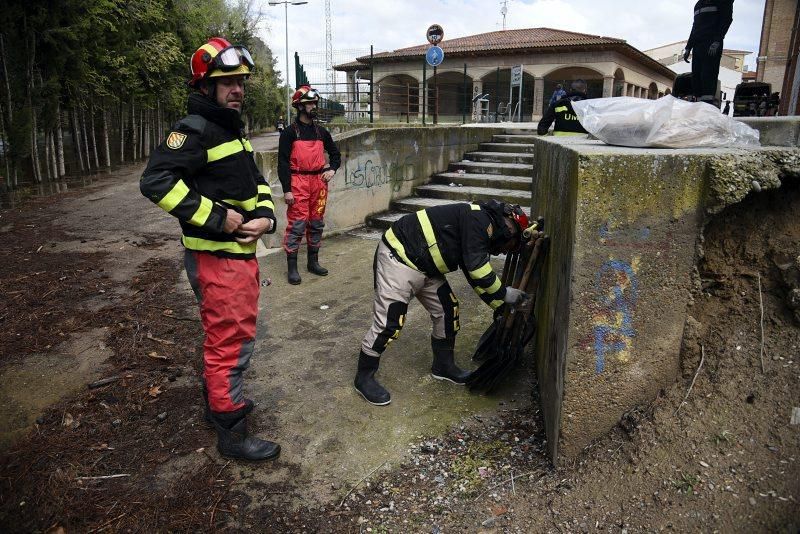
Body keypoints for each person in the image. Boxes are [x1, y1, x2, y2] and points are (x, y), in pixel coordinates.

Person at [140, 37, 280, 462]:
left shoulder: (231, 130)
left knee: (226, 340)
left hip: (235, 259)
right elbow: (156, 182)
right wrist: (219, 217)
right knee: (231, 345)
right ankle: (232, 434)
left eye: (240, 81)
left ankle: (218, 405)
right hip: (216, 260)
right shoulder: (195, 130)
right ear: (205, 87)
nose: (237, 89)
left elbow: (255, 181)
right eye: (227, 82)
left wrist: (265, 217)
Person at [353, 200, 531, 406]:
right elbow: (479, 271)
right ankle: (364, 377)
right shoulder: (478, 221)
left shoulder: (481, 225)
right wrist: (506, 294)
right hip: (400, 257)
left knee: (448, 311)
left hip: (426, 266)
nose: (505, 250)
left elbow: (475, 276)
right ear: (508, 226)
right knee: (389, 323)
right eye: (511, 244)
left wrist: (499, 305)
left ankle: (443, 366)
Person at [277, 85, 341, 285]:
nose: (314, 106)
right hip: (298, 182)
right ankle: (292, 267)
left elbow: (336, 154)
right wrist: (287, 189)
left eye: (315, 102)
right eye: (310, 103)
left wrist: (332, 169)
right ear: (300, 106)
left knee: (316, 222)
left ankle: (313, 262)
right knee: (297, 224)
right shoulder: (289, 133)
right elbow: (282, 163)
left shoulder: (322, 132)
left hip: (319, 182)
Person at [682, 0, 734, 106]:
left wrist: (717, 40)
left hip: (711, 44)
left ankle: (706, 105)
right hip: (697, 45)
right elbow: (694, 27)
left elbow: (726, 19)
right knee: (696, 76)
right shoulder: (698, 5)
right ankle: (698, 102)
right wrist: (688, 47)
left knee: (708, 75)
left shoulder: (721, 2)